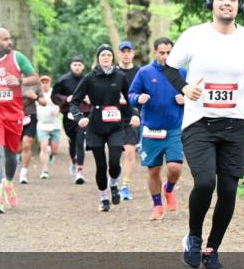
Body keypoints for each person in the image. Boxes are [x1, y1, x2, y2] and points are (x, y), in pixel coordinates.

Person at [163, 0, 244, 269]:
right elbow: (170, 67)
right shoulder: (195, 35)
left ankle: (212, 249)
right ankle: (194, 237)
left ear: (239, 5)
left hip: (233, 124)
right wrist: (185, 89)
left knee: (228, 189)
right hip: (199, 122)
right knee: (205, 182)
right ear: (212, 1)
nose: (227, 2)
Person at [0, 27, 39, 213]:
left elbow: (34, 78)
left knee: (12, 155)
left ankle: (8, 184)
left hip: (13, 115)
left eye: (9, 39)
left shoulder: (17, 58)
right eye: (5, 40)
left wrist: (19, 81)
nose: (9, 42)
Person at [69, 44, 140, 212]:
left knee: (114, 163)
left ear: (113, 58)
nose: (106, 58)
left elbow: (129, 99)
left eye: (109, 55)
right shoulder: (89, 78)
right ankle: (103, 198)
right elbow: (74, 102)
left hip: (115, 126)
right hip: (95, 127)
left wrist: (135, 114)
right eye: (103, 55)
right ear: (98, 59)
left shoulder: (120, 76)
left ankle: (114, 183)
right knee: (101, 166)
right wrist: (79, 117)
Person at [128, 37, 186, 221]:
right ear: (155, 53)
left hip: (173, 128)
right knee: (153, 171)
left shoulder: (182, 72)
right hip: (151, 130)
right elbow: (130, 94)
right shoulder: (145, 72)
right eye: (162, 53)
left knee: (175, 168)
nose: (166, 56)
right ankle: (157, 205)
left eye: (169, 53)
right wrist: (138, 99)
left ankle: (168, 189)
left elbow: (196, 94)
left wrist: (186, 100)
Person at [51, 56, 89, 184]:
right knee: (73, 141)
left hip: (84, 114)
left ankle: (79, 172)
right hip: (68, 115)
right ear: (71, 66)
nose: (77, 67)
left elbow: (97, 93)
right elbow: (54, 96)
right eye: (75, 65)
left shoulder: (88, 79)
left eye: (79, 65)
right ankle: (73, 160)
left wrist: (90, 98)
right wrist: (65, 99)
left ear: (83, 66)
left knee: (80, 141)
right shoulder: (63, 80)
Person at [117, 40, 140, 201]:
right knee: (115, 153)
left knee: (130, 151)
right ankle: (114, 178)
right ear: (119, 53)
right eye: (123, 51)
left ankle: (125, 186)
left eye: (129, 51)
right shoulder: (112, 72)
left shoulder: (140, 73)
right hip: (112, 117)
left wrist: (137, 114)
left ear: (133, 53)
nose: (126, 54)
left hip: (131, 117)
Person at [17, 79, 44, 184]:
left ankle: (23, 173)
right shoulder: (10, 81)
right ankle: (19, 158)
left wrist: (35, 97)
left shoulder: (35, 84)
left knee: (27, 145)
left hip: (30, 116)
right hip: (14, 117)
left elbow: (44, 102)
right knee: (16, 148)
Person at [35, 74, 61, 180]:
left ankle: (52, 155)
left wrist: (57, 110)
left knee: (54, 149)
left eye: (46, 82)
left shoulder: (54, 93)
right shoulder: (37, 94)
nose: (44, 84)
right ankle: (44, 169)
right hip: (42, 125)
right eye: (42, 82)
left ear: (50, 83)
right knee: (44, 147)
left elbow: (60, 104)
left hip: (55, 125)